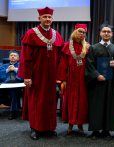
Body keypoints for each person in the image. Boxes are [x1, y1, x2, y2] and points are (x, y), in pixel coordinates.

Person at [17, 7, 65, 140]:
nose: (47, 19)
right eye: (45, 17)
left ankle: (49, 127)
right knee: (36, 101)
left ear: (52, 19)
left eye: (49, 17)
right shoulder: (31, 34)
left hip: (51, 77)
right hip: (36, 75)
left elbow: (61, 56)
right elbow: (25, 57)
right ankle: (35, 128)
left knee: (50, 100)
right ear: (39, 19)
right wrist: (27, 76)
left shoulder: (56, 35)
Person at [85, 21, 114, 140]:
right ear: (100, 33)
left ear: (112, 34)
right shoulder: (93, 47)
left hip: (110, 83)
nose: (106, 33)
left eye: (108, 32)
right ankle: (95, 131)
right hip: (97, 82)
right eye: (104, 31)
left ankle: (106, 130)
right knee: (96, 105)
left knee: (109, 105)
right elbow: (89, 64)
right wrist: (96, 75)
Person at [57, 24, 90, 136]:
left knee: (82, 102)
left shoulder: (88, 47)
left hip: (83, 79)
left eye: (83, 32)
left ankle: (80, 125)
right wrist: (64, 80)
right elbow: (63, 64)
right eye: (79, 31)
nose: (81, 34)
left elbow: (91, 65)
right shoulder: (67, 46)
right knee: (70, 101)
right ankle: (70, 125)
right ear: (75, 32)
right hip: (71, 79)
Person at [0, 49, 23, 120]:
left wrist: (15, 69)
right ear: (9, 57)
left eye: (15, 55)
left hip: (16, 85)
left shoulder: (21, 66)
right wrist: (7, 70)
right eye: (11, 55)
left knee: (14, 91)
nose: (13, 57)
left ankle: (13, 111)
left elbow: (23, 77)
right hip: (4, 85)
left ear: (18, 58)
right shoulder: (3, 66)